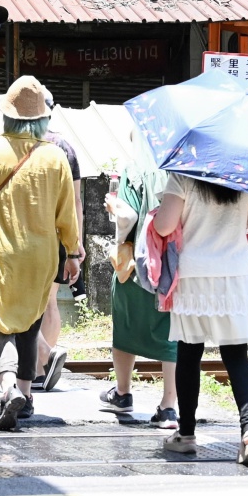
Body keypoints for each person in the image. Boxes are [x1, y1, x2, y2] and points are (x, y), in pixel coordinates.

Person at [0, 77, 80, 431]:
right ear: (42, 118)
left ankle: (9, 386)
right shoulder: (55, 157)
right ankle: (25, 396)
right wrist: (71, 253)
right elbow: (66, 214)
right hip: (41, 254)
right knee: (29, 324)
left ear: (7, 116)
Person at [151, 176, 248, 463]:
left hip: (194, 275)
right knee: (237, 356)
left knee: (189, 353)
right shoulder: (244, 175)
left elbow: (164, 226)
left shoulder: (183, 174)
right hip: (235, 274)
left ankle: (186, 434)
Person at [99, 159, 180, 426]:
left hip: (138, 261)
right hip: (174, 262)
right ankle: (168, 405)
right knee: (172, 331)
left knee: (126, 323)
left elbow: (128, 217)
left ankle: (123, 393)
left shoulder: (134, 169)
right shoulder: (183, 167)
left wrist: (113, 205)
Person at [34, 89, 84, 394]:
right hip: (58, 235)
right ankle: (43, 367)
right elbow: (76, 201)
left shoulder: (26, 144)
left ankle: (42, 360)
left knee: (25, 302)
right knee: (50, 301)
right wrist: (74, 244)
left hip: (30, 232)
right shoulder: (65, 147)